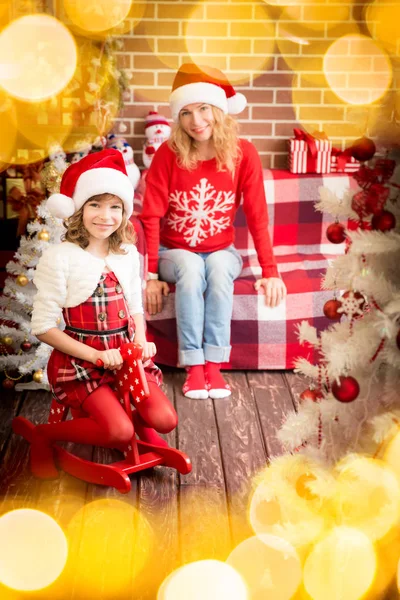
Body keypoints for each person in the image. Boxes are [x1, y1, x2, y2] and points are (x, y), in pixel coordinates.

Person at [139, 64, 287, 401]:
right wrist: (150, 275)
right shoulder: (169, 154)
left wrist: (270, 271)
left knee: (218, 269)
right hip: (172, 254)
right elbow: (151, 216)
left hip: (222, 250)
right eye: (187, 112)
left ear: (218, 110)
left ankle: (214, 366)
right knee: (191, 268)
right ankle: (193, 366)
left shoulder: (243, 153)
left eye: (203, 108)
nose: (196, 120)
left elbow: (257, 216)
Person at [29, 149, 177, 479]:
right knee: (117, 432)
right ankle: (44, 435)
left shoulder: (126, 253)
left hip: (126, 358)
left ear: (124, 213)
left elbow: (136, 308)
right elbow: (42, 327)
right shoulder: (61, 257)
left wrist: (141, 342)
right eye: (95, 204)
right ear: (79, 209)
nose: (105, 216)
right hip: (81, 362)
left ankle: (141, 430)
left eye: (114, 207)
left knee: (167, 419)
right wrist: (95, 355)